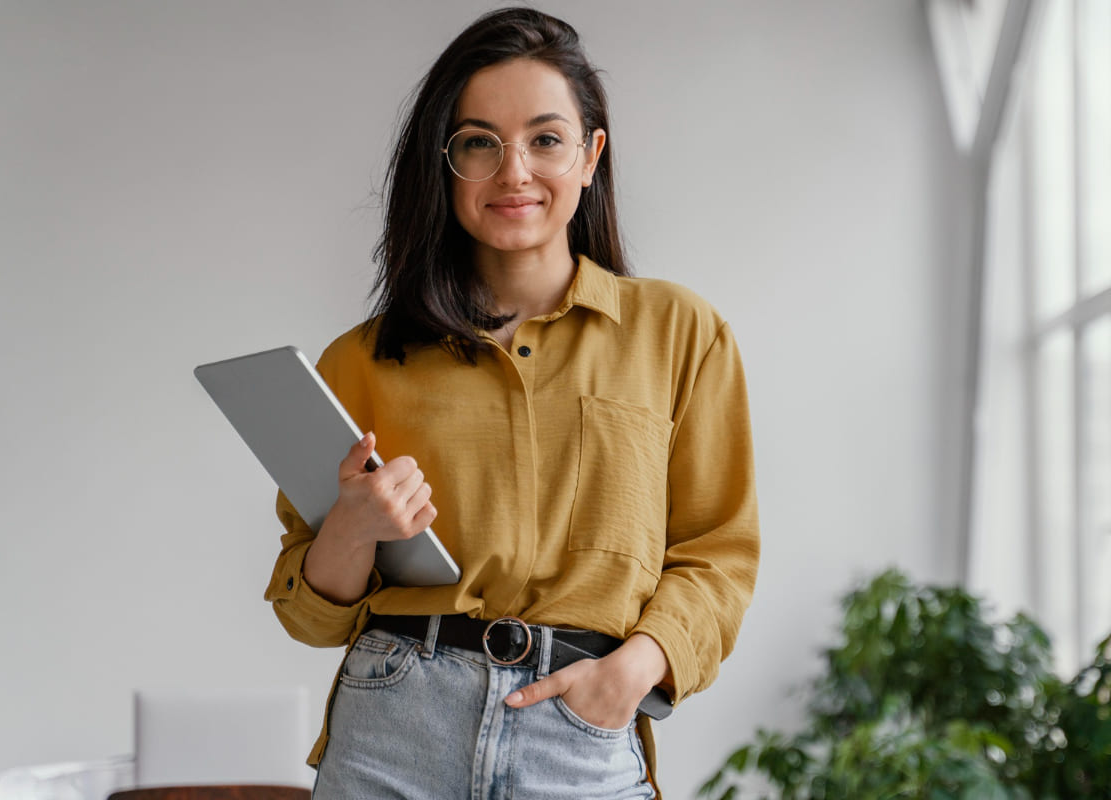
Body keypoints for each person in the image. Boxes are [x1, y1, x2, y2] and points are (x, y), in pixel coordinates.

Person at [264, 7, 759, 798]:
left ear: (591, 155)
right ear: (445, 164)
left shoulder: (681, 333)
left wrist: (632, 671)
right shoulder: (360, 361)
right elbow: (310, 615)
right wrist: (353, 528)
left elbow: (717, 554)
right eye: (478, 144)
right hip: (394, 725)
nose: (514, 172)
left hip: (581, 729)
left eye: (545, 139)